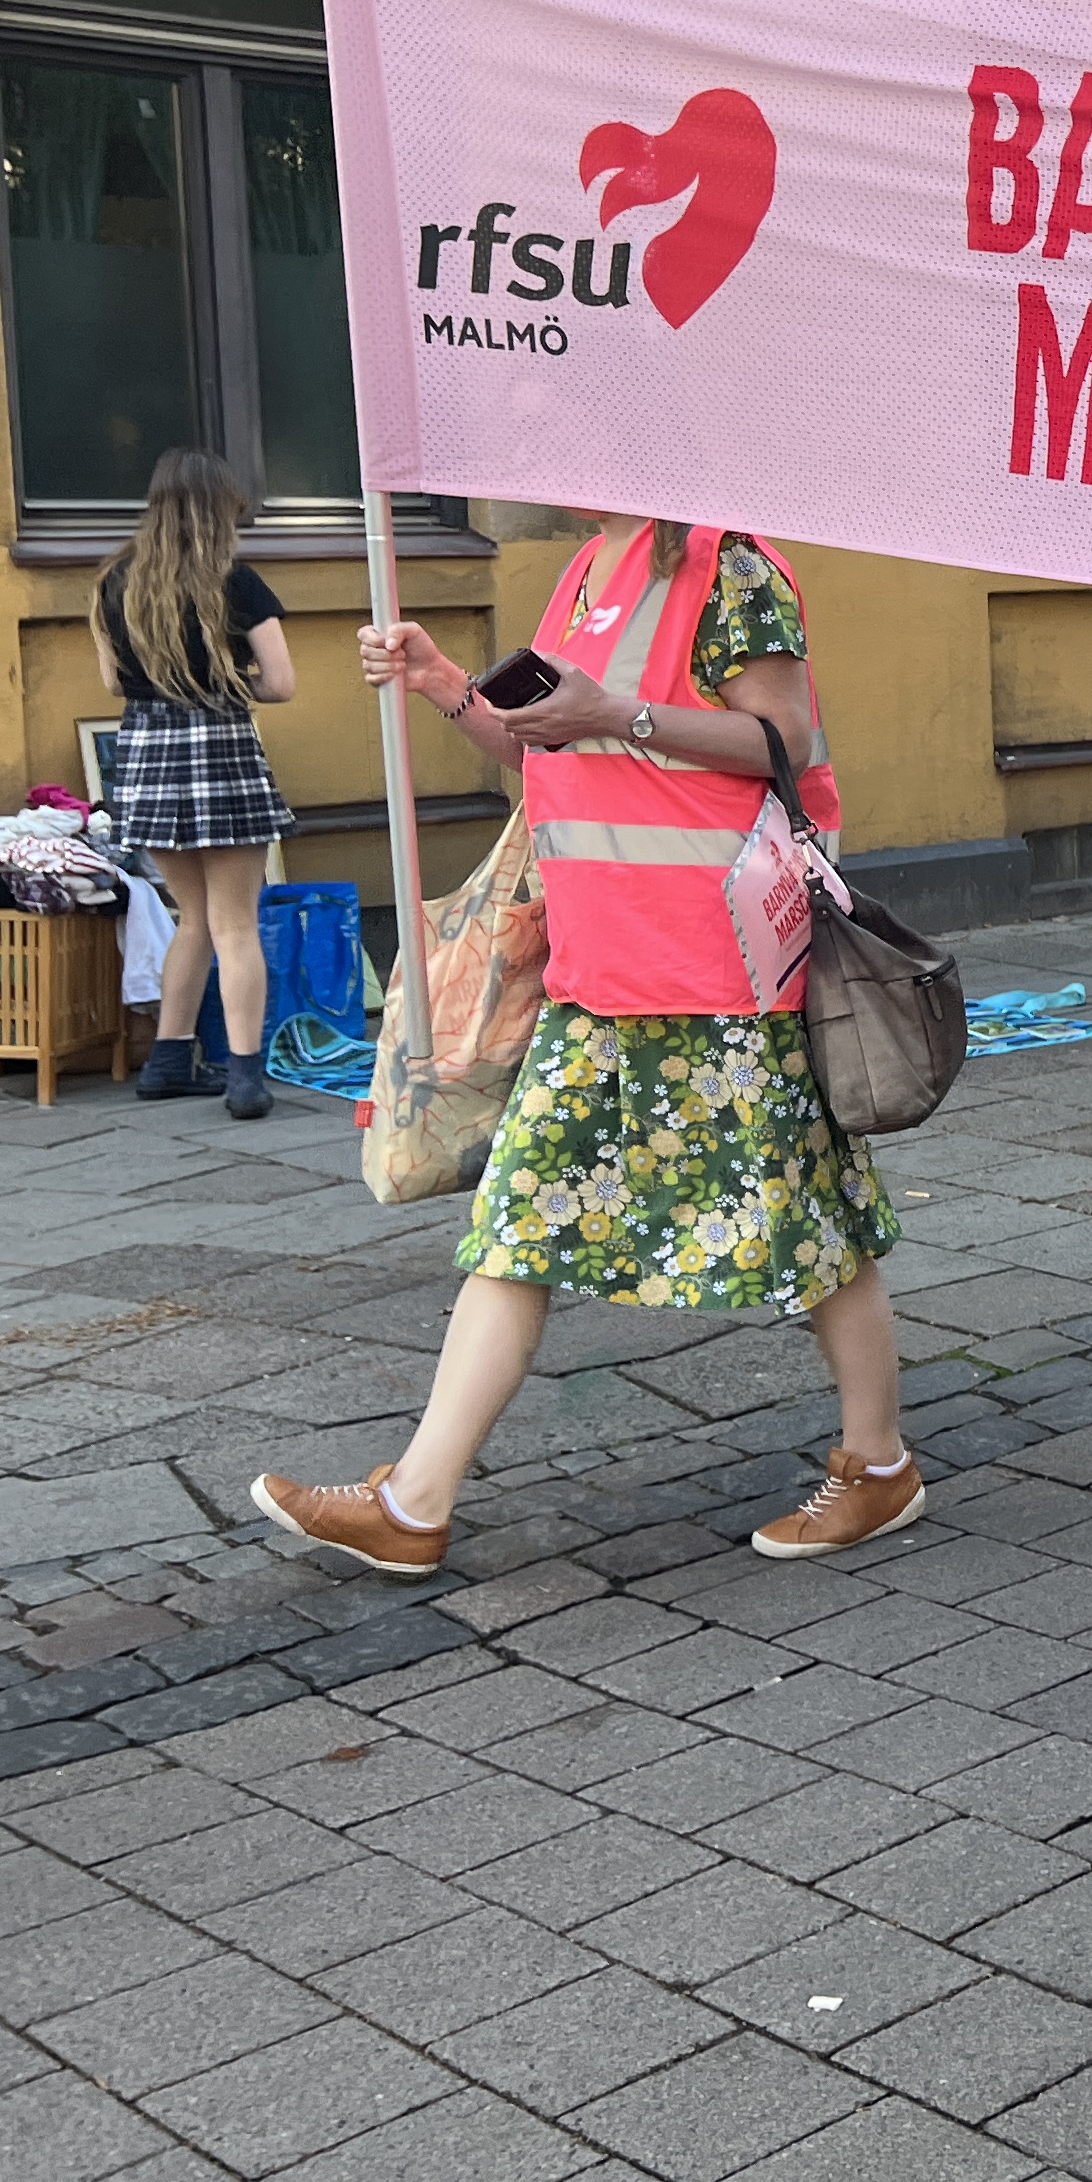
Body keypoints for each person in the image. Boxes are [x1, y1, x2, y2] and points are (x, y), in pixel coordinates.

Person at [253, 517, 922, 1569]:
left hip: (722, 977)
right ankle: (414, 1505)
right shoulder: (589, 567)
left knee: (814, 1229)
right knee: (515, 1228)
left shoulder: (732, 565)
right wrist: (444, 686)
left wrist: (618, 711)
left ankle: (878, 1468)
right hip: (599, 972)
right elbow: (548, 756)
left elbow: (785, 739)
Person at [93, 449, 299, 1119]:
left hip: (148, 754)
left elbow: (111, 682)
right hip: (220, 750)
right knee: (236, 923)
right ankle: (244, 1078)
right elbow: (281, 684)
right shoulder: (235, 583)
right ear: (220, 513)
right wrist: (228, 679)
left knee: (192, 920)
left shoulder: (113, 583)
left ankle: (168, 1061)